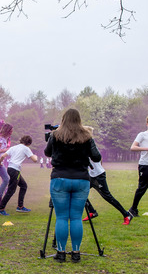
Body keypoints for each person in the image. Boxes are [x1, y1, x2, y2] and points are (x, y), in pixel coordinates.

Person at [44, 108, 101, 263]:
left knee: (61, 217)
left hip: (59, 179)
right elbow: (96, 157)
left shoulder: (55, 135)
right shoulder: (86, 136)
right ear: (79, 120)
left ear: (63, 119)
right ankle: (76, 253)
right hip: (81, 180)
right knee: (76, 217)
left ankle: (61, 253)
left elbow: (47, 153)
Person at [82, 127, 133, 225]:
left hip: (99, 176)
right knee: (80, 192)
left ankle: (127, 214)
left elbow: (97, 158)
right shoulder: (85, 145)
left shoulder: (90, 146)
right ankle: (92, 212)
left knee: (108, 197)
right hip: (91, 176)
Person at [0, 135, 38, 216]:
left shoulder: (14, 147)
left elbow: (2, 156)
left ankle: (20, 206)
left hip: (10, 168)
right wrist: (36, 156)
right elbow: (35, 160)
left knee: (23, 186)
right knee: (11, 190)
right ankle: (0, 208)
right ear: (29, 143)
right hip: (15, 170)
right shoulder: (26, 148)